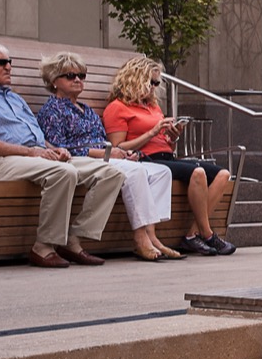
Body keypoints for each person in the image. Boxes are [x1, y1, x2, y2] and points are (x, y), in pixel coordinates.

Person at [0, 41, 126, 268]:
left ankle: (73, 239)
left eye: (10, 62)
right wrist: (31, 152)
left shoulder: (14, 98)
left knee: (110, 172)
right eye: (1, 62)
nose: (8, 67)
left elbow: (35, 136)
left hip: (35, 157)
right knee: (63, 172)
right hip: (0, 163)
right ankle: (44, 247)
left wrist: (51, 147)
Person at [35, 52, 177, 262]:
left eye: (81, 76)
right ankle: (140, 238)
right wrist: (106, 153)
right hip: (81, 160)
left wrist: (124, 154)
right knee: (135, 173)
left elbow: (105, 141)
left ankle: (151, 234)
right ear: (54, 81)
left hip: (104, 157)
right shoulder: (52, 110)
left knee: (162, 172)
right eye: (70, 76)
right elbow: (60, 148)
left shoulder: (86, 110)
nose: (77, 80)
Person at [103, 57, 236, 256]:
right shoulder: (117, 107)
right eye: (151, 82)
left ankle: (192, 234)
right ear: (136, 79)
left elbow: (163, 140)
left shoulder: (152, 107)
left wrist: (173, 137)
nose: (154, 87)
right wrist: (152, 132)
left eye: (157, 83)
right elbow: (118, 147)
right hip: (146, 159)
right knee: (197, 172)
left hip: (167, 156)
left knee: (223, 174)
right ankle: (207, 235)